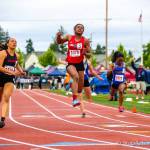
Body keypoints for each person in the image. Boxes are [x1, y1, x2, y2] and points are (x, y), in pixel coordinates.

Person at [56, 23, 91, 107]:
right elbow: (59, 42)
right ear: (74, 29)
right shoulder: (69, 37)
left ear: (83, 31)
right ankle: (74, 99)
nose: (80, 29)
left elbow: (89, 54)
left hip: (80, 63)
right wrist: (58, 36)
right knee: (75, 77)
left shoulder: (85, 40)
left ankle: (78, 94)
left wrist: (85, 52)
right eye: (78, 27)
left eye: (82, 28)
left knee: (81, 83)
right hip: (70, 63)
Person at [0, 38, 26, 128]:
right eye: (12, 41)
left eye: (15, 41)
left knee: (6, 97)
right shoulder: (3, 53)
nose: (14, 42)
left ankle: (2, 119)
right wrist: (13, 72)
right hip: (1, 76)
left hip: (9, 78)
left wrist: (21, 71)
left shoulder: (17, 55)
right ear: (7, 44)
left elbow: (16, 64)